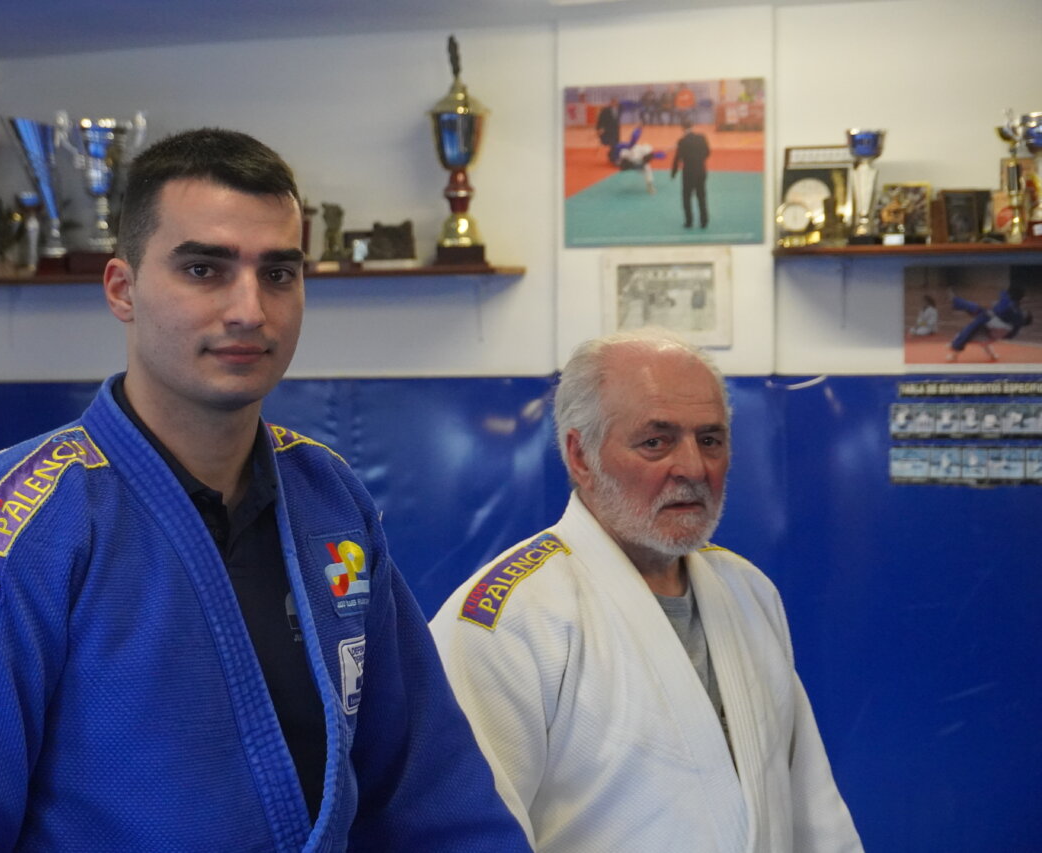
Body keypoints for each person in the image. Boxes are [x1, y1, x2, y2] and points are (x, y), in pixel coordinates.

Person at [0, 128, 531, 852]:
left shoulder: (328, 500)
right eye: (204, 270)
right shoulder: (9, 533)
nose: (250, 308)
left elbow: (428, 789)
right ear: (122, 289)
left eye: (279, 273)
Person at [430, 330, 863, 852]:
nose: (693, 467)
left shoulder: (749, 592)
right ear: (580, 455)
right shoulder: (508, 620)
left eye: (710, 439)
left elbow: (812, 810)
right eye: (655, 441)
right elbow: (462, 834)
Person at [946, 284, 1032, 362]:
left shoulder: (1010, 306)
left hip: (993, 325)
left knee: (970, 328)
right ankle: (956, 301)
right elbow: (1011, 334)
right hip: (994, 328)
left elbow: (1000, 310)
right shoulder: (1017, 313)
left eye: (1026, 313)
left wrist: (1004, 294)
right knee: (976, 312)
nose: (1024, 311)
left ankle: (956, 301)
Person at [671, 118, 711, 228]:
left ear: (682, 128)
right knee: (701, 196)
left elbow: (677, 158)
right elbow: (708, 153)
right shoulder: (702, 138)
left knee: (686, 197)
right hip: (701, 170)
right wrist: (699, 160)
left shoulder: (682, 141)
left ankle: (689, 222)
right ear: (692, 126)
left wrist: (673, 172)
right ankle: (704, 221)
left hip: (688, 172)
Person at [595, 96, 622, 160]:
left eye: (616, 102)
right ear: (611, 102)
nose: (616, 104)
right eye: (614, 102)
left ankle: (612, 156)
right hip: (608, 130)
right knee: (612, 144)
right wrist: (599, 129)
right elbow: (600, 120)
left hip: (616, 131)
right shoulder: (605, 110)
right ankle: (612, 157)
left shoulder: (619, 109)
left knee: (615, 144)